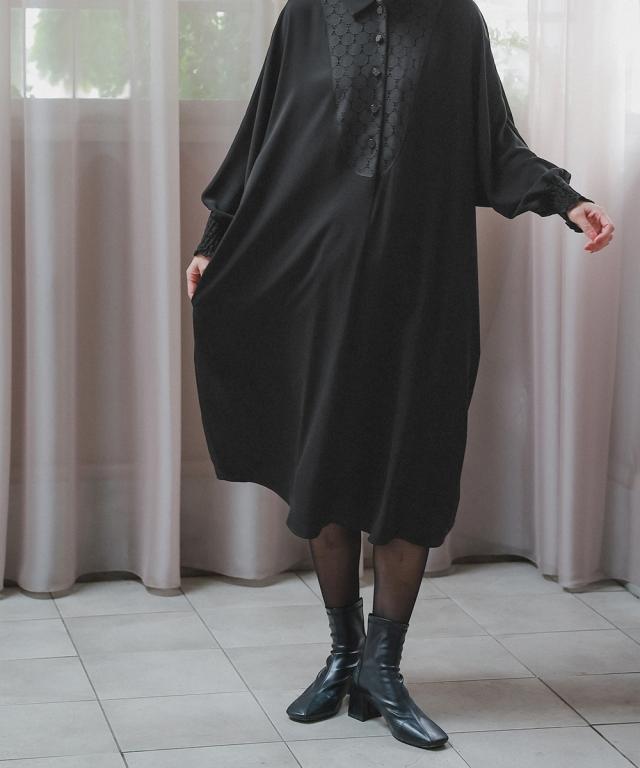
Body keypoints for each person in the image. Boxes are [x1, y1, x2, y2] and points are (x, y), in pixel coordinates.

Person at [186, 0, 614, 751]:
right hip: (316, 283)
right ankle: (344, 656)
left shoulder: (455, 20)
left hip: (422, 285)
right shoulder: (307, 15)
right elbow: (263, 135)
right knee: (326, 461)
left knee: (410, 464)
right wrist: (215, 238)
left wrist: (566, 200)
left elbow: (494, 142)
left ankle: (384, 671)